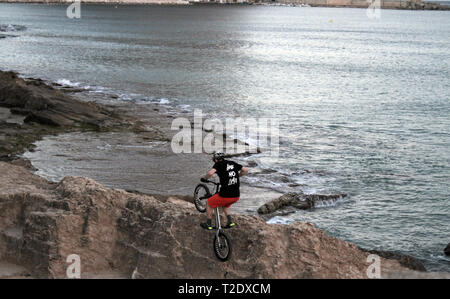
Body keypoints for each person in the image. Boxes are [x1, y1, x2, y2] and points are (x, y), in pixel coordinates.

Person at [200, 151, 248, 230]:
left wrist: (204, 178)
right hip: (236, 196)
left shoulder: (218, 164)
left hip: (226, 195)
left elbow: (210, 173)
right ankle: (230, 222)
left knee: (209, 203)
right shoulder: (232, 163)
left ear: (216, 160)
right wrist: (237, 176)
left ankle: (208, 223)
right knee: (226, 205)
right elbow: (245, 170)